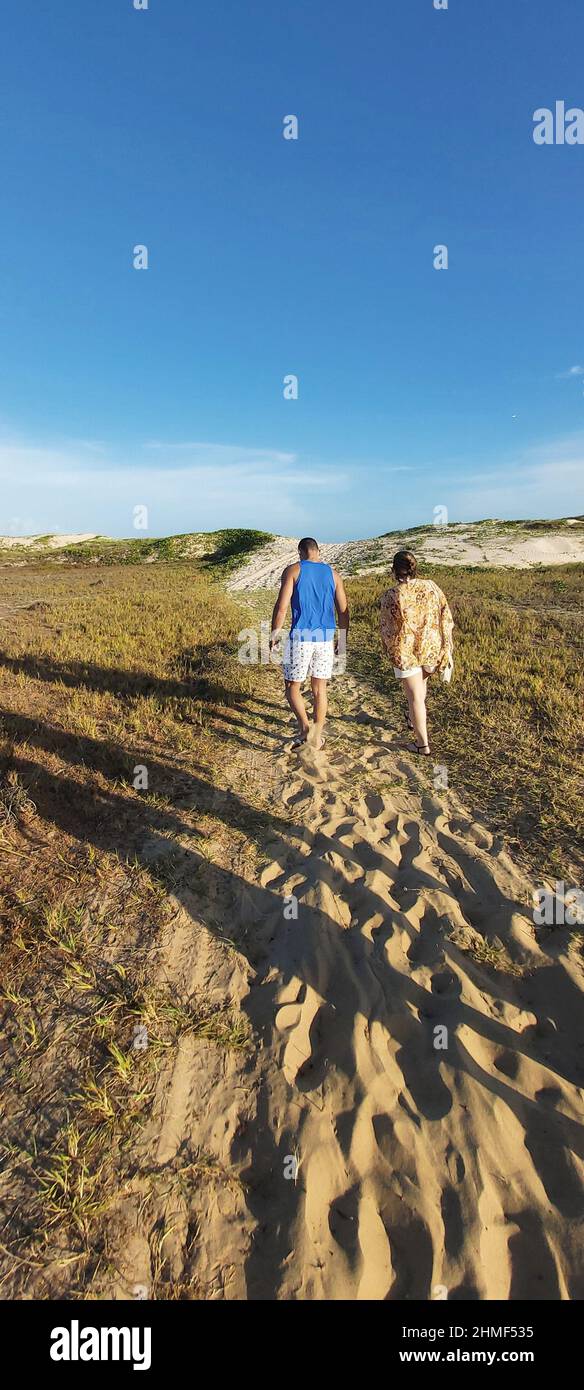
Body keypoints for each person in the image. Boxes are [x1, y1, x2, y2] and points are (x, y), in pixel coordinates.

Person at [270, 537, 349, 750]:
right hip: (325, 638)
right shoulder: (333, 574)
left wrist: (274, 634)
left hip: (301, 637)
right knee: (320, 689)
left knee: (292, 686)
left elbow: (282, 607)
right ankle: (318, 735)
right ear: (318, 551)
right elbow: (343, 610)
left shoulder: (293, 570)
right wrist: (342, 638)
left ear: (300, 552)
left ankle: (305, 729)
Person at [380, 549, 453, 756]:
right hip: (431, 647)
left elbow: (387, 627)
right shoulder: (431, 587)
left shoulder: (392, 595)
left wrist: (389, 650)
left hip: (407, 652)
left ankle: (422, 745)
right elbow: (445, 614)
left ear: (393, 570)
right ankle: (413, 720)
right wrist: (444, 644)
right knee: (421, 689)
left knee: (415, 698)